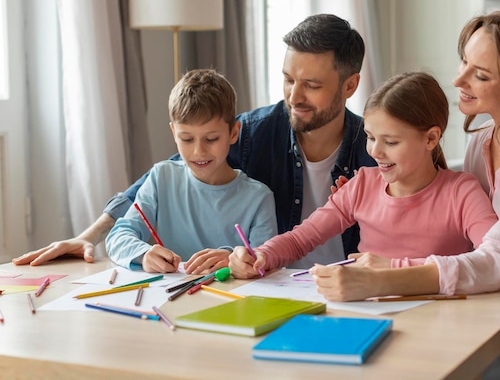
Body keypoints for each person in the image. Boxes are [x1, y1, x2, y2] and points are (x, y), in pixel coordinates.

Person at [307, 5, 500, 379]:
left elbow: (498, 258)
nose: (458, 81)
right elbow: (457, 215)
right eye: (463, 63)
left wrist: (384, 276)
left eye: (480, 75)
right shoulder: (482, 143)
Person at [13, 14, 375, 268]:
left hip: (351, 290)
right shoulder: (254, 131)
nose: (294, 96)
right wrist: (88, 237)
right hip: (272, 286)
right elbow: (163, 175)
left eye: (311, 85)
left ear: (350, 85)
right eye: (288, 79)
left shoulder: (374, 150)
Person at [229, 71, 498, 278]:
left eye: (391, 142)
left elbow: (492, 260)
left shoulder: (462, 192)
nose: (376, 151)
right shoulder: (362, 184)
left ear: (430, 139)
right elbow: (302, 239)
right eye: (370, 137)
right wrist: (260, 256)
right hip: (371, 316)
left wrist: (392, 268)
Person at [105, 69, 277, 274]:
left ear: (234, 133)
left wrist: (234, 261)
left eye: (211, 139)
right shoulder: (162, 178)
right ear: (174, 133)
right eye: (186, 139)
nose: (199, 151)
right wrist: (144, 254)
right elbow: (118, 236)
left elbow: (264, 263)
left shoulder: (259, 197)